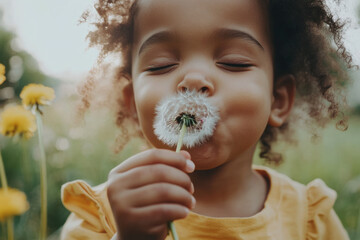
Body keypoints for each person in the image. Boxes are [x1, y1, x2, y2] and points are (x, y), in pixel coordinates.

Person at [61, 0, 354, 239]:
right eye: (161, 65)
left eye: (233, 62)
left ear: (277, 100)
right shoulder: (102, 215)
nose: (193, 79)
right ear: (133, 105)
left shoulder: (310, 220)